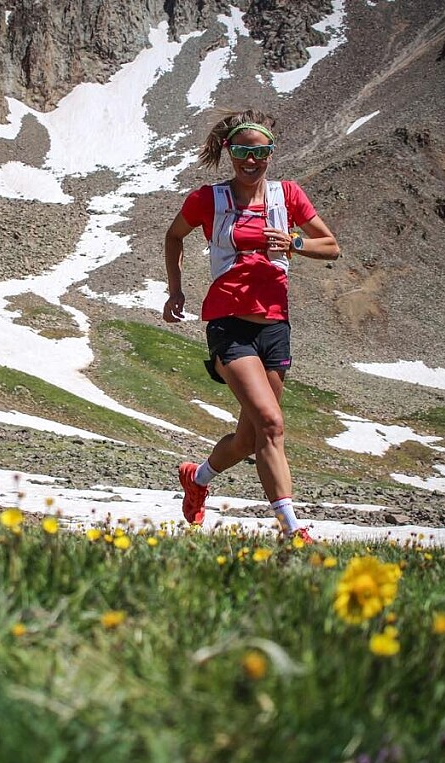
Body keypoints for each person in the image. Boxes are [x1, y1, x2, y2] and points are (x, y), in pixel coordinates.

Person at [163, 108, 340, 541]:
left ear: (271, 154)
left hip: (274, 327)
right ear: (229, 151)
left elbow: (331, 246)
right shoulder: (208, 199)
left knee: (249, 438)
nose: (251, 160)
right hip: (229, 326)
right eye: (242, 151)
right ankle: (292, 531)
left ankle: (197, 478)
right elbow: (174, 235)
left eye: (260, 152)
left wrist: (294, 241)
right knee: (271, 423)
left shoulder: (288, 195)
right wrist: (176, 290)